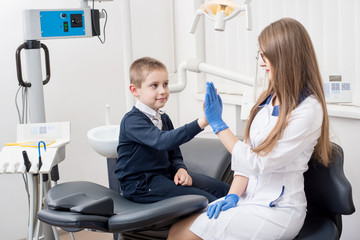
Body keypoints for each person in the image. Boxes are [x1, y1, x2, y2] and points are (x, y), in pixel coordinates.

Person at [168, 18, 332, 240]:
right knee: (177, 229)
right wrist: (233, 195)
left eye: (265, 56)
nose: (262, 63)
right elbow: (246, 157)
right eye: (260, 55)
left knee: (186, 236)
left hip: (277, 210)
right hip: (247, 197)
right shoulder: (268, 99)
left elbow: (260, 162)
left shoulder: (308, 110)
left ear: (284, 58)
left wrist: (218, 125)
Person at [115, 56, 229, 204]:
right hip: (140, 185)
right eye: (154, 85)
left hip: (165, 176)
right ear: (134, 90)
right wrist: (202, 122)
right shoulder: (132, 121)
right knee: (207, 200)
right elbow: (162, 141)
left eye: (165, 84)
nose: (163, 90)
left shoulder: (164, 118)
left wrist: (180, 169)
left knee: (224, 190)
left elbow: (174, 154)